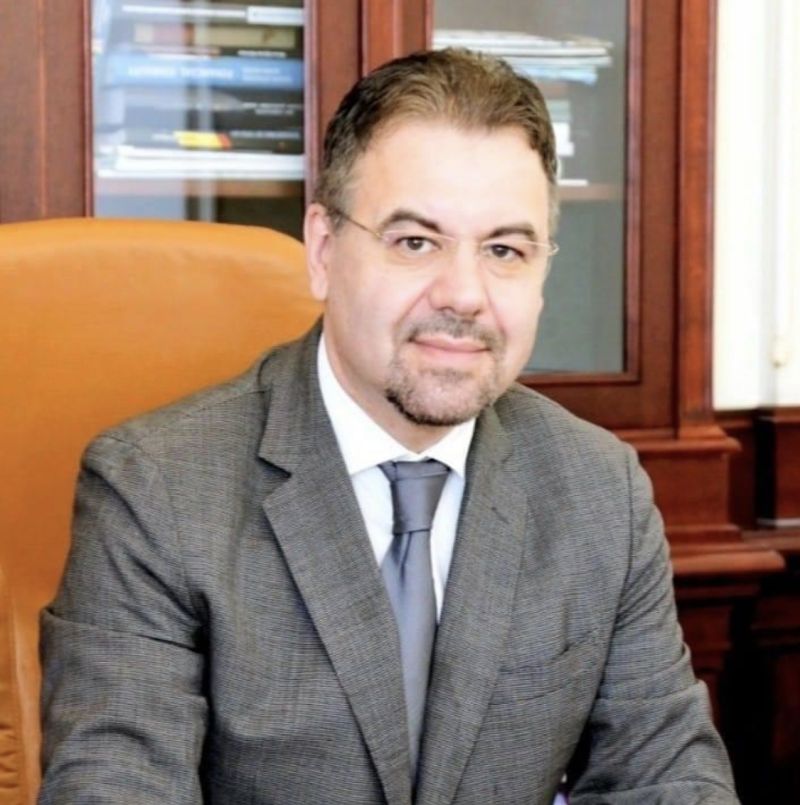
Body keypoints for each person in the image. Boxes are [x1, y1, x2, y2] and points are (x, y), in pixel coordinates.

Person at [39, 49, 738, 804]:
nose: (464, 294)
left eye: (505, 250)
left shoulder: (599, 488)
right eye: (415, 242)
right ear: (323, 250)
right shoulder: (157, 488)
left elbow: (668, 777)